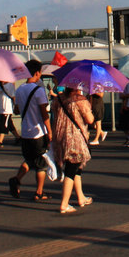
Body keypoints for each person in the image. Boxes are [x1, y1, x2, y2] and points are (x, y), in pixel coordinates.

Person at [8, 61, 51, 201]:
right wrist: (50, 131)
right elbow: (44, 113)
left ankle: (17, 178)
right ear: (37, 73)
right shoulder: (39, 90)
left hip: (25, 132)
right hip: (38, 131)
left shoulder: (20, 89)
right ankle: (39, 192)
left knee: (29, 159)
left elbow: (16, 110)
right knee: (41, 163)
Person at [51, 86, 94, 214]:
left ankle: (81, 197)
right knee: (71, 169)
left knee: (77, 168)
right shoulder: (80, 100)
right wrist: (88, 106)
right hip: (75, 138)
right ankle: (64, 204)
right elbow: (90, 120)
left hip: (61, 137)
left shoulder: (58, 99)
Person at [0, 81, 21, 147]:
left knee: (4, 124)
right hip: (2, 109)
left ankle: (0, 141)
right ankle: (18, 138)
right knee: (9, 124)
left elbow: (14, 97)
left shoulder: (10, 84)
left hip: (7, 109)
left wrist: (15, 107)